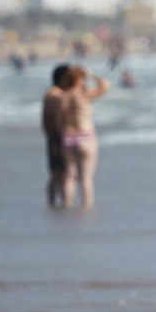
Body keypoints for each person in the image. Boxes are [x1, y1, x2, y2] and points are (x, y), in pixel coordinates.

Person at [60, 65, 110, 208]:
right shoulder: (84, 94)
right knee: (86, 178)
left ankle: (67, 204)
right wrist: (92, 75)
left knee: (70, 175)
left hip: (68, 136)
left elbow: (60, 120)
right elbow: (106, 85)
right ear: (79, 80)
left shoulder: (63, 95)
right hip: (86, 136)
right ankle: (86, 207)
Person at [41, 65, 73, 208]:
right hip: (56, 138)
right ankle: (61, 204)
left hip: (56, 138)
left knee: (60, 174)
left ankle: (57, 204)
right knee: (60, 174)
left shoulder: (56, 93)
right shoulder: (54, 94)